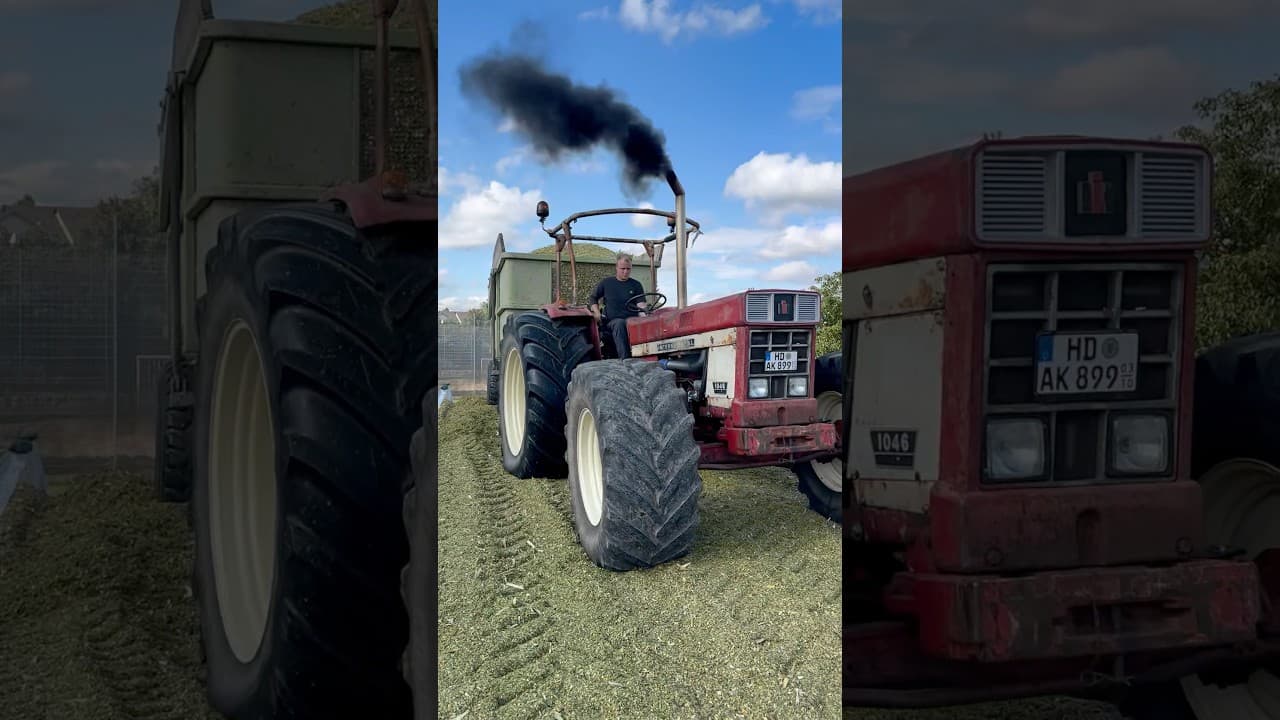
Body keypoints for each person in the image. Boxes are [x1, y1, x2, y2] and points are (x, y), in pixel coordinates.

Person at [588, 254, 647, 359]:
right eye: (623, 268)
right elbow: (593, 298)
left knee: (642, 322)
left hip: (631, 320)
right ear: (616, 267)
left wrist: (645, 316)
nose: (625, 271)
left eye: (628, 269)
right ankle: (625, 360)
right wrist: (596, 312)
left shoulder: (636, 285)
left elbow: (641, 305)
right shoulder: (606, 283)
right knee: (620, 323)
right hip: (611, 322)